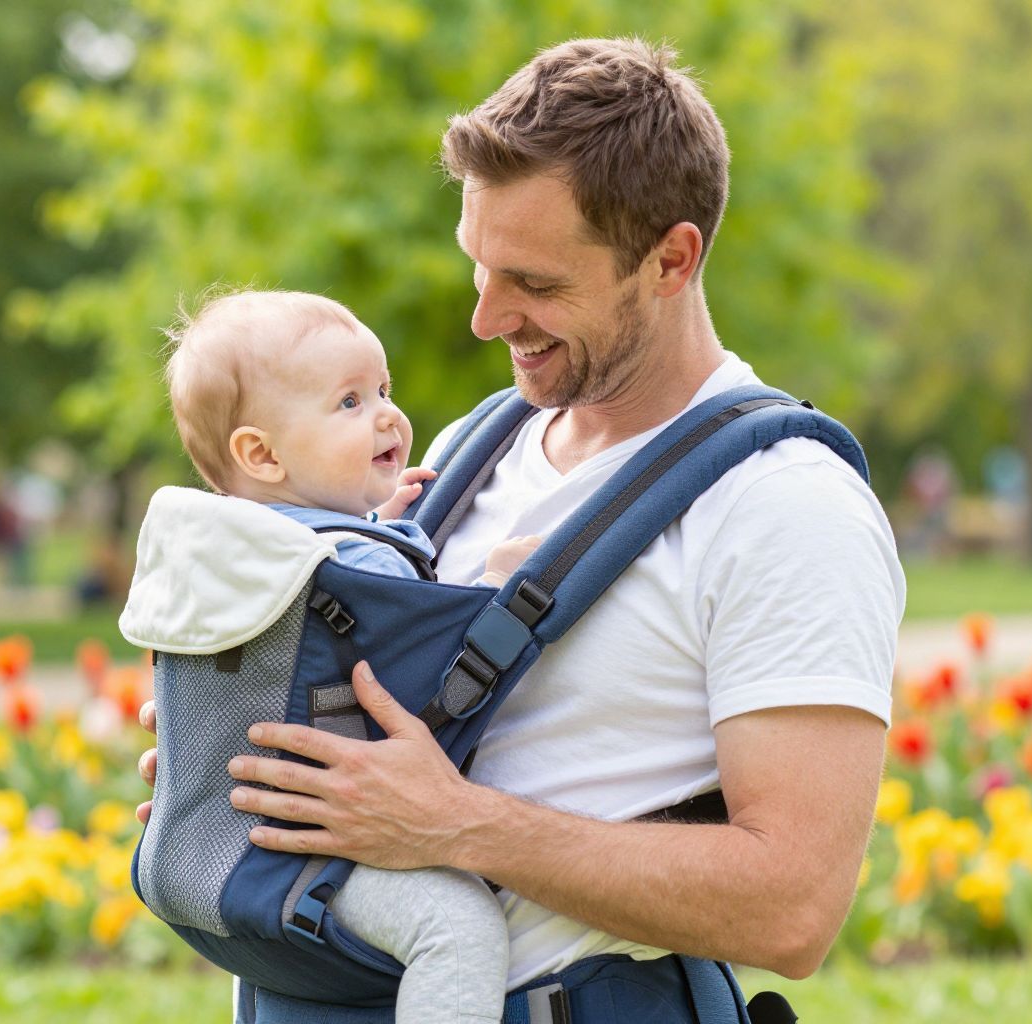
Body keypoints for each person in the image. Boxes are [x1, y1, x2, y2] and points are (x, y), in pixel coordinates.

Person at [140, 38, 906, 1022]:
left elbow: (795, 905)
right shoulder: (467, 450)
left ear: (672, 258)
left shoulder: (784, 506)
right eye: (478, 267)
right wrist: (240, 740)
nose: (486, 316)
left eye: (535, 283)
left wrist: (460, 826)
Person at [129, 288, 541, 1023]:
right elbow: (433, 661)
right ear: (260, 452)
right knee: (459, 927)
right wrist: (496, 588)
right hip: (318, 852)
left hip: (201, 858)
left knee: (270, 960)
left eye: (384, 389)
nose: (386, 413)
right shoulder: (353, 567)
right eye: (349, 403)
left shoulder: (223, 556)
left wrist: (376, 519)